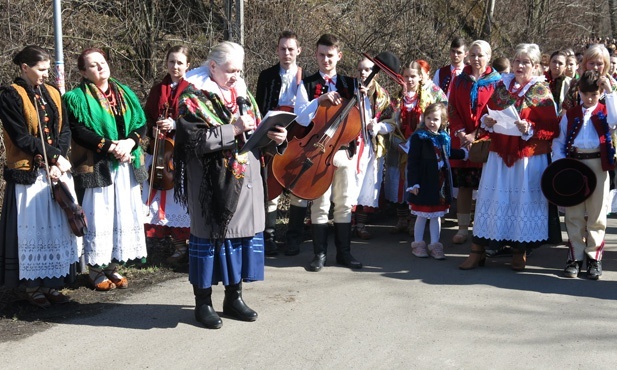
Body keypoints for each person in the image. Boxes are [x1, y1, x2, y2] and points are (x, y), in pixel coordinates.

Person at [174, 41, 287, 329]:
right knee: (210, 240)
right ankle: (203, 303)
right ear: (212, 66)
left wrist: (276, 137)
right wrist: (234, 129)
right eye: (230, 70)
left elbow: (256, 128)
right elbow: (193, 143)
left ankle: (233, 297)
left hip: (245, 180)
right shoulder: (192, 96)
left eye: (239, 70)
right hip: (212, 184)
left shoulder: (242, 91)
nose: (236, 76)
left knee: (239, 239)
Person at [459, 43, 560, 271]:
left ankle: (519, 251)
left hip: (527, 158)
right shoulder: (503, 87)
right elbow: (488, 114)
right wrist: (488, 122)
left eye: (525, 62)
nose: (520, 66)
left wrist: (530, 127)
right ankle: (477, 251)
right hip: (499, 153)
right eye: (517, 61)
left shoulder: (541, 91)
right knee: (491, 200)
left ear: (535, 67)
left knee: (521, 203)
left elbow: (552, 127)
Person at [0, 45, 81, 308]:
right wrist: (53, 157)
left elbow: (64, 128)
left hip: (55, 172)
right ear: (25, 68)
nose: (46, 74)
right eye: (41, 69)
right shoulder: (10, 95)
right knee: (31, 230)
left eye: (48, 69)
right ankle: (31, 287)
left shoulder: (53, 93)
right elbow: (21, 137)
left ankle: (52, 283)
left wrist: (58, 158)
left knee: (55, 228)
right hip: (28, 173)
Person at [64, 48, 148, 291]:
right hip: (98, 164)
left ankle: (111, 266)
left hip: (126, 162)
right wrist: (111, 147)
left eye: (102, 62)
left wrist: (130, 143)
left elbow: (141, 123)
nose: (100, 67)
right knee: (100, 215)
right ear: (83, 72)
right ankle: (95, 269)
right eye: (93, 65)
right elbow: (79, 131)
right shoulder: (76, 97)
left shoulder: (125, 92)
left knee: (121, 214)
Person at [294, 33, 362, 272]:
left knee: (344, 202)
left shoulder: (351, 84)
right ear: (315, 54)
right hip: (318, 151)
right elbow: (300, 116)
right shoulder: (307, 84)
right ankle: (319, 253)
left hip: (343, 151)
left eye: (330, 55)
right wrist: (319, 101)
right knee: (320, 204)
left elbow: (363, 117)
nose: (326, 60)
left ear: (339, 56)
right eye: (322, 55)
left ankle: (344, 253)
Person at [551, 70, 617, 280]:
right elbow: (559, 142)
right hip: (575, 165)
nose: (589, 99)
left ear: (600, 93)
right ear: (578, 92)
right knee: (574, 213)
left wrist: (610, 91)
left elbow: (615, 121)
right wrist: (561, 165)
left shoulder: (606, 112)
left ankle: (594, 257)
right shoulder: (570, 115)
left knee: (597, 214)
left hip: (599, 163)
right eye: (585, 94)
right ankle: (575, 256)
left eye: (594, 94)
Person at [254, 30, 308, 256]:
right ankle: (269, 236)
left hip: (297, 136)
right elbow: (259, 108)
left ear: (298, 51)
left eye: (291, 49)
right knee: (271, 185)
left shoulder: (306, 77)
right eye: (283, 49)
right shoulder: (266, 76)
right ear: (277, 50)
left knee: (297, 185)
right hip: (271, 135)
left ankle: (294, 237)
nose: (287, 53)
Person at [447, 40, 501, 244]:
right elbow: (451, 107)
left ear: (489, 57)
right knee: (464, 186)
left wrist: (476, 134)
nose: (476, 59)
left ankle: (482, 227)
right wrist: (461, 133)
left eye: (481, 55)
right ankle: (462, 228)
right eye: (474, 55)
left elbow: (497, 112)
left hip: (487, 139)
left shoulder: (497, 82)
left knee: (486, 186)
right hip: (461, 140)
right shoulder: (460, 80)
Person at [384, 60, 447, 234]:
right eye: (406, 76)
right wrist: (397, 141)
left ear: (420, 77)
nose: (409, 80)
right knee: (399, 182)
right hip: (399, 146)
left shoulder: (427, 98)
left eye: (413, 76)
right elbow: (389, 120)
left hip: (420, 147)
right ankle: (402, 217)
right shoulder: (396, 99)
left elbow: (434, 120)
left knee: (416, 181)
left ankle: (414, 219)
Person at [142, 46, 192, 265]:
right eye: (172, 62)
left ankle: (186, 246)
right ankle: (176, 247)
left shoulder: (193, 90)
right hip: (160, 151)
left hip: (180, 151)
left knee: (180, 200)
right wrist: (153, 128)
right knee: (158, 196)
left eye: (180, 62)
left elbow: (196, 120)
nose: (175, 66)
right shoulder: (157, 89)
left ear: (188, 65)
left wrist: (175, 124)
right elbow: (147, 117)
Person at [406, 103, 467, 259]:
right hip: (424, 182)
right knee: (422, 214)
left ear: (443, 121)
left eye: (436, 119)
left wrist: (464, 153)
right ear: (424, 118)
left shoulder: (443, 137)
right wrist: (413, 183)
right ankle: (418, 243)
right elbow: (413, 162)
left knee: (436, 215)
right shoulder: (419, 138)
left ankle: (435, 244)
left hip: (440, 182)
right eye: (428, 118)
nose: (432, 122)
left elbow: (448, 153)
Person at [353, 56, 393, 239]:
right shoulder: (350, 91)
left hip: (373, 145)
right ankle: (345, 224)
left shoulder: (383, 96)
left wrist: (377, 127)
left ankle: (360, 224)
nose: (363, 73)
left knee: (366, 187)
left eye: (367, 70)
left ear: (375, 74)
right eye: (360, 69)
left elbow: (392, 122)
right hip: (352, 144)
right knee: (351, 185)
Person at [562, 44, 617, 112]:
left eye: (599, 64)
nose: (595, 67)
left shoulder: (613, 85)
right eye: (591, 63)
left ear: (605, 65)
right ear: (585, 63)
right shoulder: (576, 84)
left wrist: (609, 91)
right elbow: (566, 110)